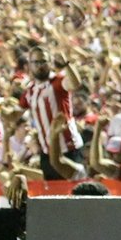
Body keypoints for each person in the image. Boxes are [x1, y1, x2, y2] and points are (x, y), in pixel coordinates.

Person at [24, 46, 85, 180]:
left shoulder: (58, 82)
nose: (40, 66)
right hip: (47, 152)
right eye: (36, 62)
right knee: (53, 195)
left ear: (50, 63)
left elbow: (75, 83)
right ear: (30, 65)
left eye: (43, 61)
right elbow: (19, 111)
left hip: (68, 149)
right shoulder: (30, 90)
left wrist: (67, 64)